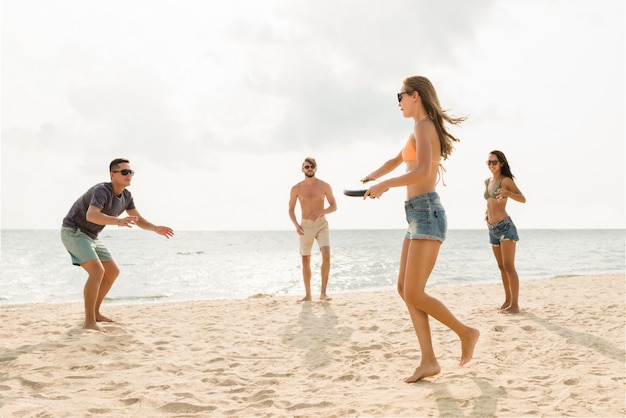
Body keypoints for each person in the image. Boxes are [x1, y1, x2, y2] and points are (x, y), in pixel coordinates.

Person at [361, 76, 479, 383]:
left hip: (427, 212)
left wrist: (385, 185)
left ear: (415, 96)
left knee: (414, 291)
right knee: (404, 290)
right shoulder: (418, 129)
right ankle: (428, 360)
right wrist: (374, 176)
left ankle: (466, 333)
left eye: (399, 96)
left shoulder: (423, 127)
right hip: (416, 214)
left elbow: (424, 170)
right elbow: (398, 159)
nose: (398, 102)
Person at [61, 158, 174, 332]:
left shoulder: (126, 196)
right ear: (112, 174)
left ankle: (96, 313)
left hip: (91, 236)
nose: (129, 175)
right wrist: (118, 222)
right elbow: (91, 215)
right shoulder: (102, 190)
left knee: (112, 271)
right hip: (74, 232)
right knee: (97, 271)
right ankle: (89, 322)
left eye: (130, 172)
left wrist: (154, 228)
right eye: (124, 172)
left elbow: (138, 219)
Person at [288, 157, 337, 302]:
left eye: (312, 167)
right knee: (305, 260)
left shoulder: (325, 186)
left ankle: (323, 293)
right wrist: (296, 225)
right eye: (306, 167)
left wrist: (321, 212)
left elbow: (334, 206)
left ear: (315, 168)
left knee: (326, 255)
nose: (309, 169)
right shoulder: (296, 188)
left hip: (322, 224)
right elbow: (290, 209)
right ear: (302, 169)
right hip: (305, 226)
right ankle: (308, 295)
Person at [484, 150, 526, 314]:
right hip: (491, 229)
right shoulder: (487, 181)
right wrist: (487, 213)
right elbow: (490, 201)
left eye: (494, 162)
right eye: (489, 162)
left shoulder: (505, 180)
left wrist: (508, 193)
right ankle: (507, 301)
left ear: (501, 163)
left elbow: (522, 198)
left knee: (509, 266)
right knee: (501, 266)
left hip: (505, 227)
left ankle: (514, 305)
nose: (491, 165)